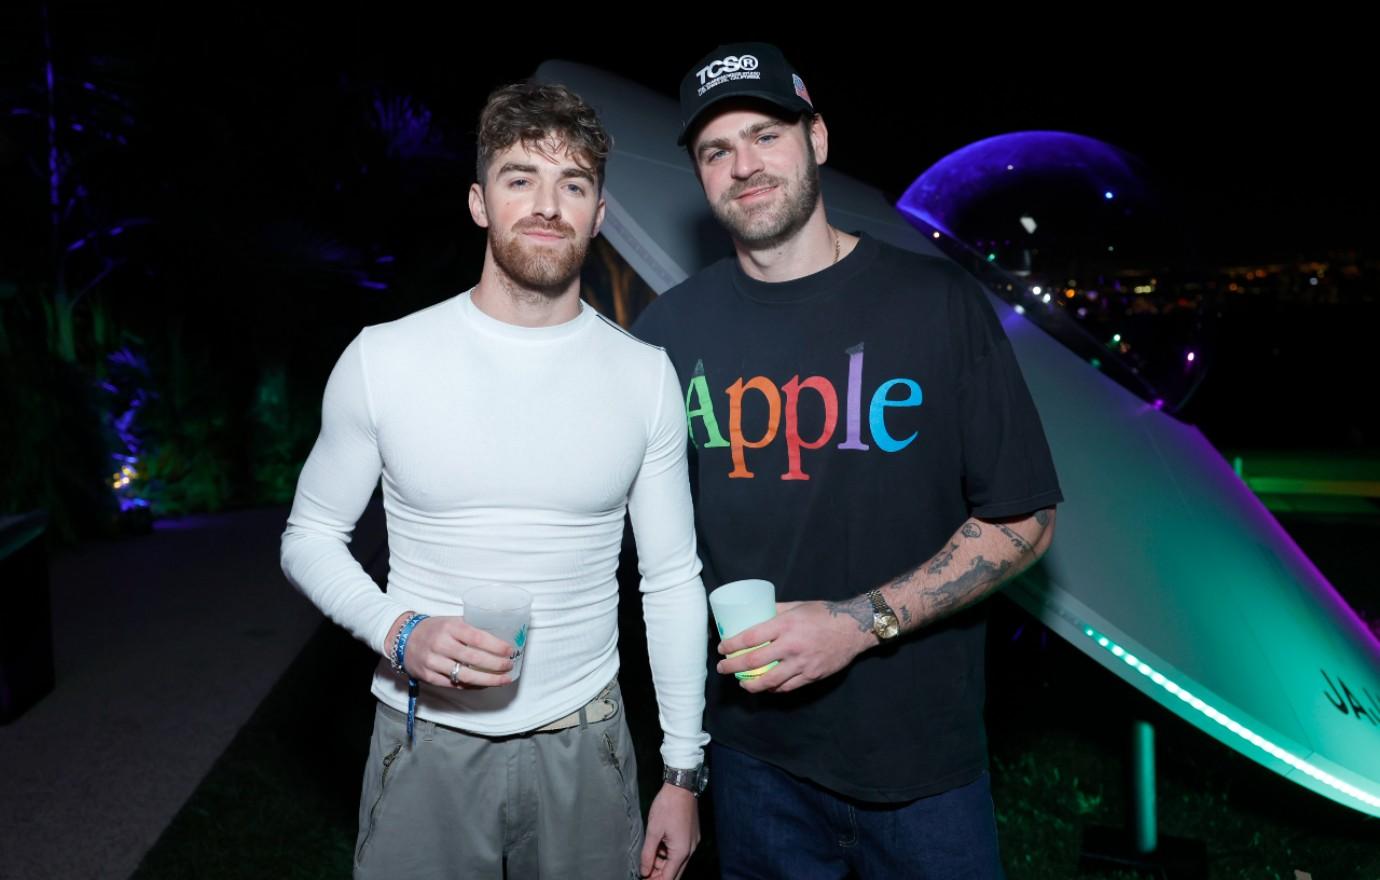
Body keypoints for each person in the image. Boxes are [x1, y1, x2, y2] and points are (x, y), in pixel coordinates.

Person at [632, 43, 1063, 878]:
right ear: (698, 176)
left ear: (817, 140)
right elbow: (651, 554)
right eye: (716, 150)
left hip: (923, 770)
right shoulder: (667, 335)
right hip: (755, 766)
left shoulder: (935, 305)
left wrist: (860, 624)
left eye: (766, 134)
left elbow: (1025, 516)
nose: (744, 165)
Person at [282, 81, 709, 880]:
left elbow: (672, 579)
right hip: (422, 739)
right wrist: (399, 631)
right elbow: (309, 537)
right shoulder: (385, 359)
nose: (548, 206)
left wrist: (682, 772)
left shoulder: (644, 376)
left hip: (590, 745)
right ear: (480, 202)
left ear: (600, 214)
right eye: (521, 179)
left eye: (573, 185)